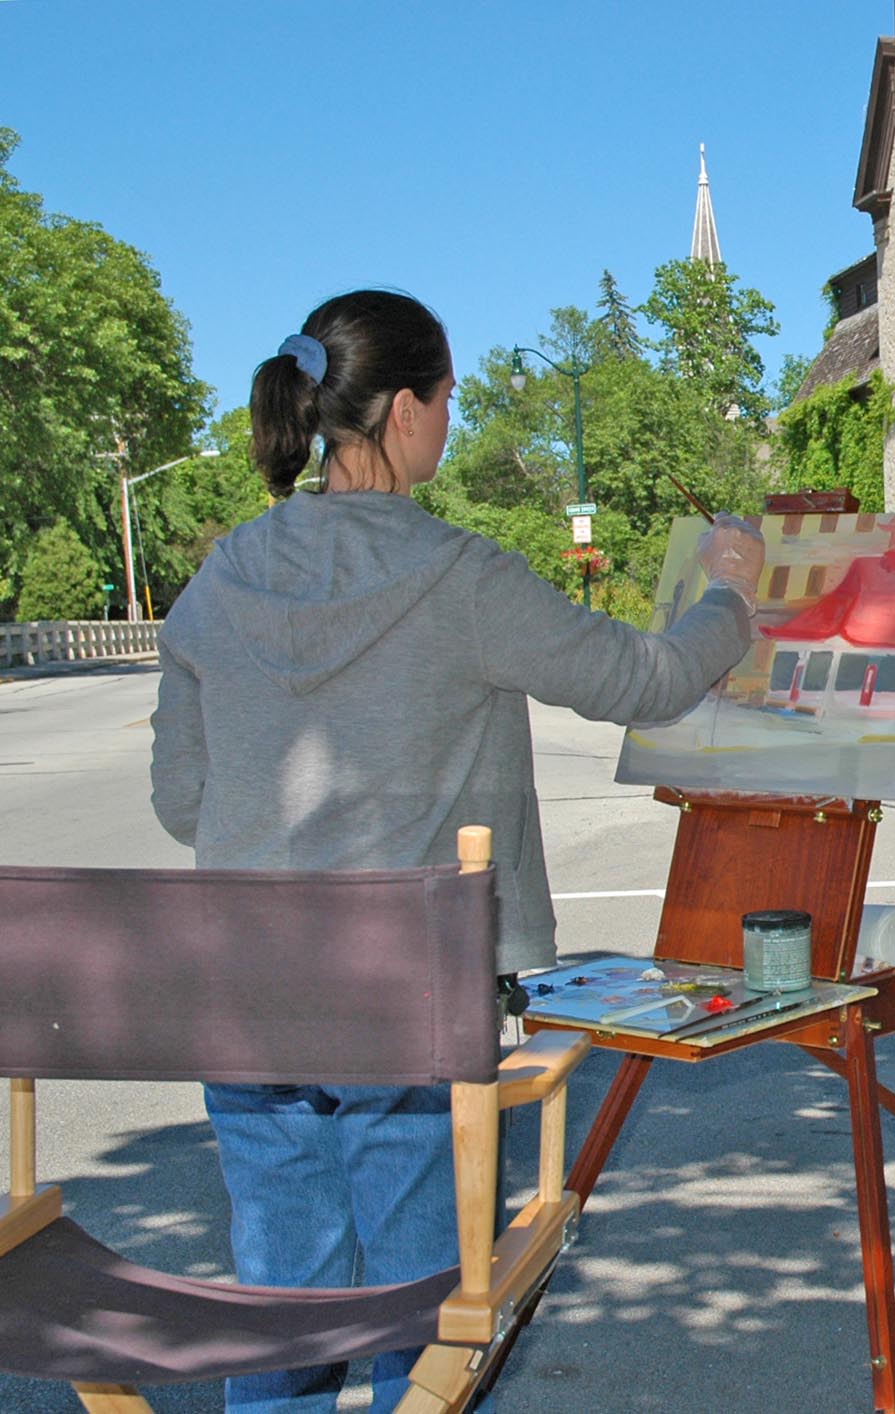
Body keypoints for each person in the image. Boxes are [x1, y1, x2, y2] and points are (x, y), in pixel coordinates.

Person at [149, 290, 764, 1413]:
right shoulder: (459, 577)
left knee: (283, 1308)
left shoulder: (216, 583)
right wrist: (728, 590)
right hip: (409, 1000)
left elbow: (184, 804)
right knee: (423, 1322)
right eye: (444, 394)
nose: (449, 414)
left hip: (243, 992)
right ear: (399, 410)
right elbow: (646, 679)